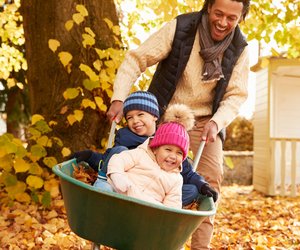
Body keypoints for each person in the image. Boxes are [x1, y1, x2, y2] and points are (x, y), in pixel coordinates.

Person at [106, 0, 251, 249]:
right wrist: (119, 97)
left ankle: (199, 247)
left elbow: (236, 95)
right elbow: (136, 59)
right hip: (164, 112)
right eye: (218, 14)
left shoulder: (240, 48)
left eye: (232, 18)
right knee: (140, 170)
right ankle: (136, 239)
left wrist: (216, 123)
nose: (223, 22)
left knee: (210, 182)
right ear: (208, 8)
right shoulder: (181, 27)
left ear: (240, 18)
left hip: (205, 120)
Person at [73, 91, 217, 204]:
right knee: (119, 152)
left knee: (191, 190)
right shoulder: (125, 137)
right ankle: (105, 188)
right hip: (126, 184)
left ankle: (158, 207)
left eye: (140, 114)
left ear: (155, 116)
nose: (135, 121)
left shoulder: (169, 138)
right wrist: (90, 156)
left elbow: (187, 172)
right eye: (129, 117)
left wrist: (203, 185)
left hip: (155, 192)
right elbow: (109, 160)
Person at [107, 103, 195, 208]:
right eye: (168, 149)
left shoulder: (176, 179)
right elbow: (119, 159)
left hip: (147, 208)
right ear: (155, 149)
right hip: (120, 193)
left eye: (179, 153)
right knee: (106, 187)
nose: (173, 156)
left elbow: (172, 205)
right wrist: (117, 175)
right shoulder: (141, 154)